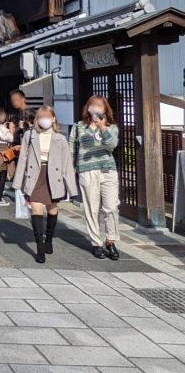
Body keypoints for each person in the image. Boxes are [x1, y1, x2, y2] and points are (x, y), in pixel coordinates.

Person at [13, 106, 78, 264]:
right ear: (36, 119)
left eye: (47, 117)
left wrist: (71, 187)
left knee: (52, 209)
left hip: (53, 176)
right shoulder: (30, 135)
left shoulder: (60, 138)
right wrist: (17, 182)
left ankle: (48, 239)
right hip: (35, 174)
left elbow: (66, 163)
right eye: (41, 117)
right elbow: (22, 158)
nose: (44, 120)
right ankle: (40, 247)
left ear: (53, 118)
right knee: (36, 209)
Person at [70, 95, 121, 260]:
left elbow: (111, 145)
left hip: (108, 170)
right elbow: (72, 149)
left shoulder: (111, 127)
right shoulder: (79, 127)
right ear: (88, 108)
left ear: (106, 110)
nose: (96, 109)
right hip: (86, 171)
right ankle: (96, 243)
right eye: (94, 106)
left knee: (111, 207)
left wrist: (102, 127)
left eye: (101, 106)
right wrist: (71, 169)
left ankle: (111, 241)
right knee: (91, 208)